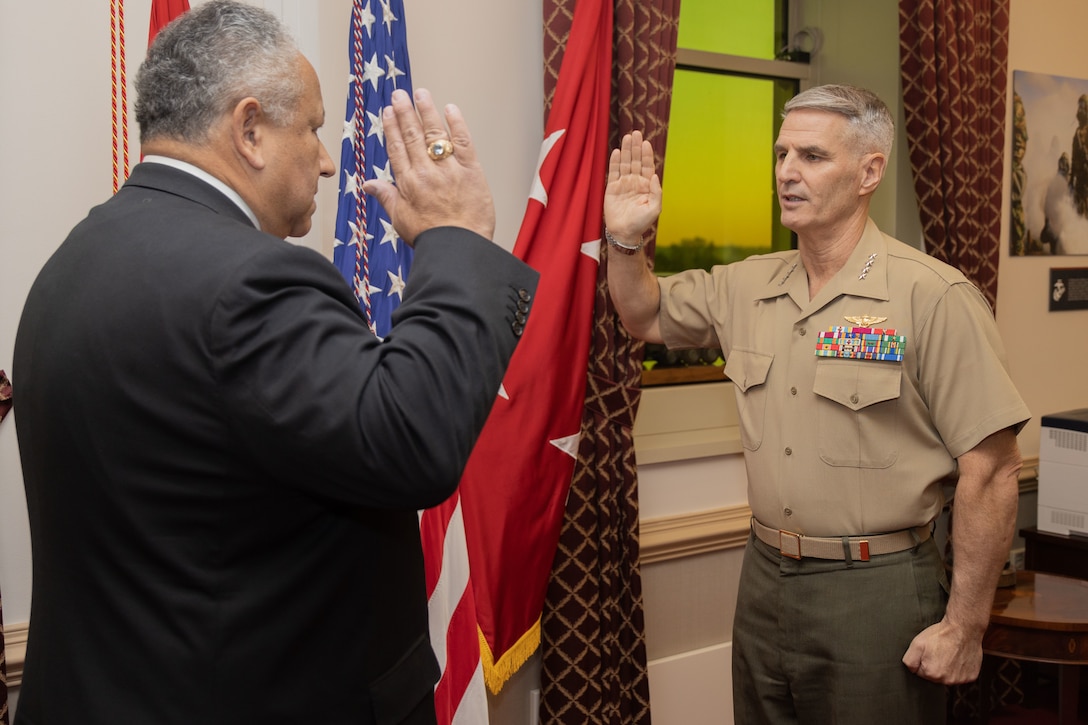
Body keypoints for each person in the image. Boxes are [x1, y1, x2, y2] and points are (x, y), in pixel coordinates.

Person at [13, 2, 537, 724]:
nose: (327, 159)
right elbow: (415, 438)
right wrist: (457, 239)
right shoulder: (250, 280)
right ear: (250, 129)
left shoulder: (67, 267)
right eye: (315, 128)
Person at [603, 84, 1029, 724]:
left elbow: (993, 469)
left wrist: (965, 626)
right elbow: (644, 313)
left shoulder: (931, 295)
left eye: (811, 156)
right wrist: (627, 242)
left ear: (869, 171)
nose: (787, 173)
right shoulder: (747, 284)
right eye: (780, 155)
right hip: (764, 578)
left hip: (877, 589)